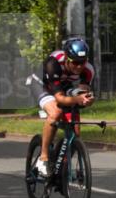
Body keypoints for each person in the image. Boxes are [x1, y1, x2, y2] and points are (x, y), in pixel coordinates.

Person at [27, 37, 96, 177]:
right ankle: (44, 158)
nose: (79, 67)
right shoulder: (54, 63)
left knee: (75, 131)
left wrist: (86, 100)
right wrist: (76, 99)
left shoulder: (88, 70)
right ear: (66, 58)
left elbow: (82, 93)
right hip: (41, 85)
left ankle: (61, 168)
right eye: (75, 62)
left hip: (63, 86)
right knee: (56, 112)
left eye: (82, 62)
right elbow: (58, 98)